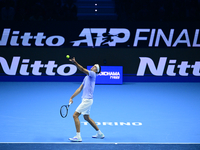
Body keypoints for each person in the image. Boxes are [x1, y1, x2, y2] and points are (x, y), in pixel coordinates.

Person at [68, 57, 104, 142]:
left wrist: (75, 62)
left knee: (75, 115)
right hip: (86, 100)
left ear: (96, 70)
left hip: (87, 100)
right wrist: (71, 97)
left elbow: (82, 69)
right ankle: (100, 133)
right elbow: (79, 89)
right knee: (86, 118)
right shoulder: (86, 77)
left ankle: (78, 136)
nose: (93, 66)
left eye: (95, 67)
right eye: (93, 65)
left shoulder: (92, 74)